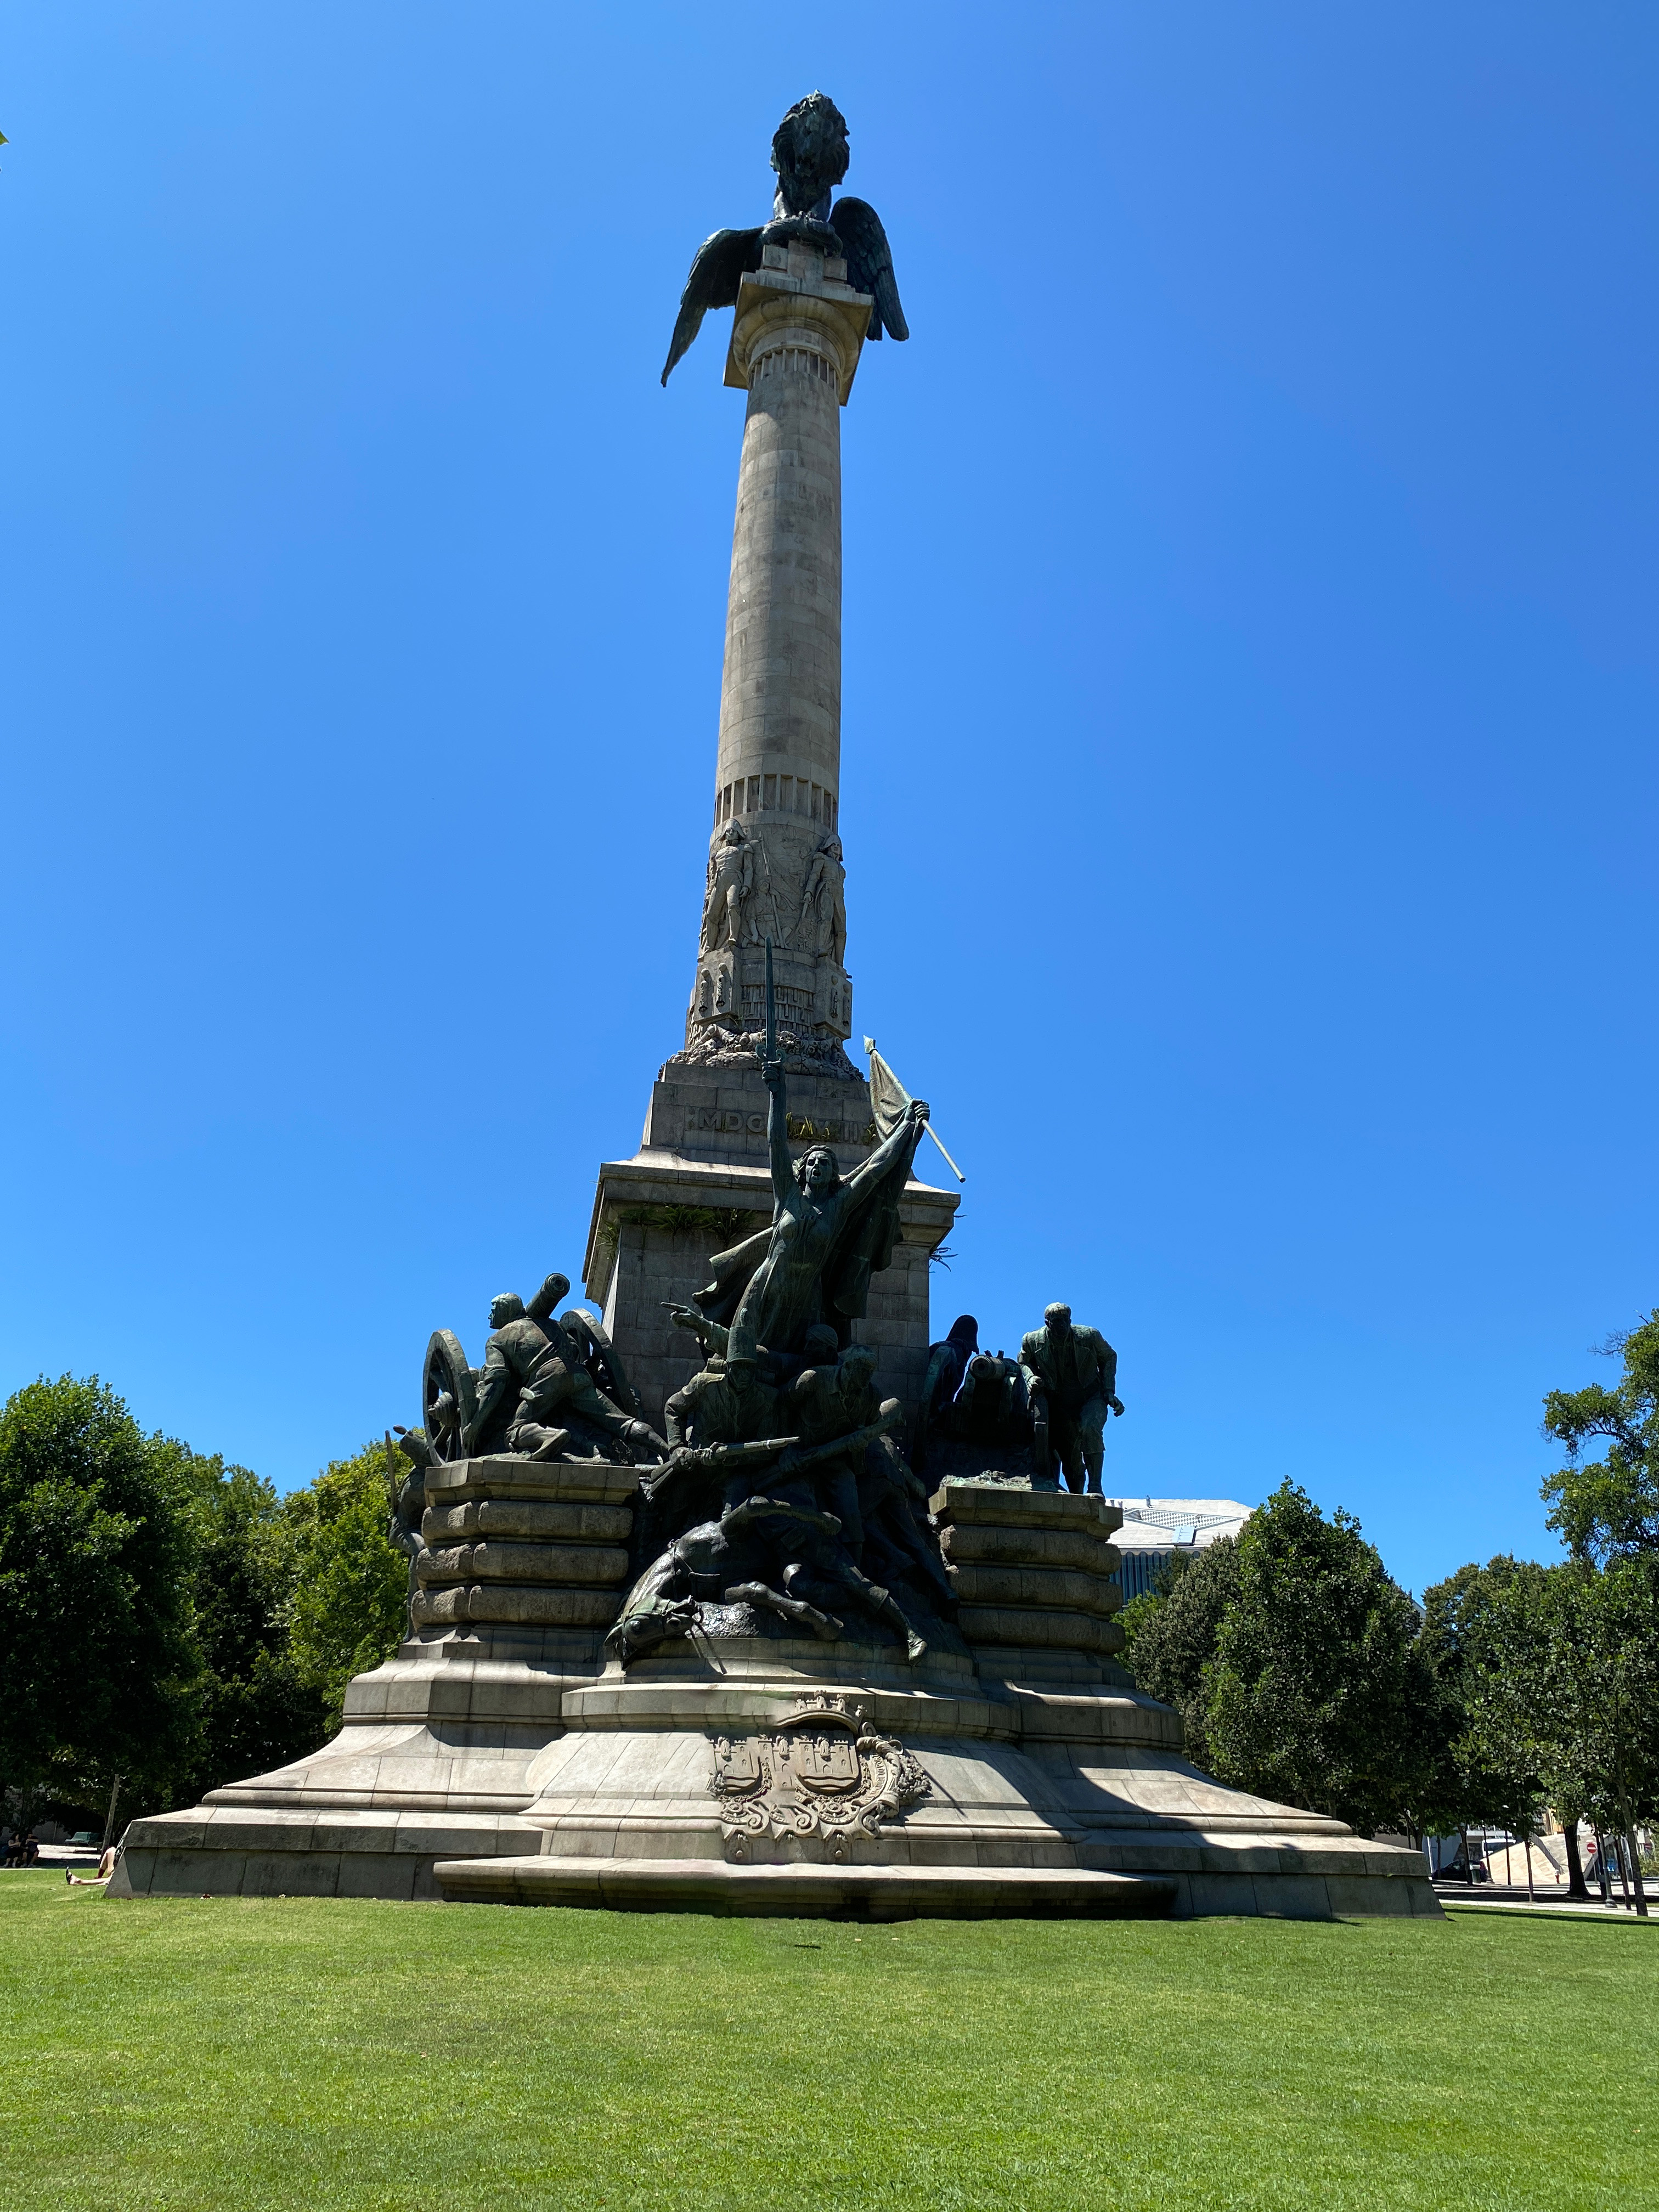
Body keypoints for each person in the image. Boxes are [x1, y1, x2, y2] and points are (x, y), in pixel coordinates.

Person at [1019, 1302, 1124, 1495]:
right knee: (1071, 1461)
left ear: (1070, 1321)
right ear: (1047, 1323)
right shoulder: (1032, 1340)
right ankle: (1077, 1495)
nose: (1062, 1326)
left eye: (1065, 1321)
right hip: (1060, 1405)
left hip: (1091, 1397)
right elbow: (1025, 1363)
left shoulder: (1089, 1336)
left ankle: (1095, 1486)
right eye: (1057, 1322)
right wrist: (1031, 1378)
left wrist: (1109, 1391)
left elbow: (1109, 1357)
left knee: (1090, 1428)